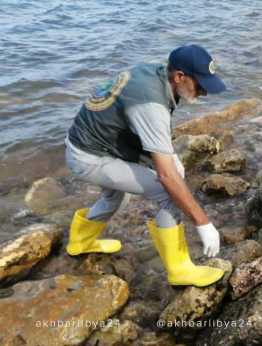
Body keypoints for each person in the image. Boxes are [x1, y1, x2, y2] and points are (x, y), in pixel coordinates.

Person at [64, 44, 227, 287]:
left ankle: (80, 242)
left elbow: (149, 133)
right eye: (200, 85)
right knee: (167, 190)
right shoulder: (150, 103)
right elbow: (166, 177)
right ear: (179, 76)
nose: (204, 92)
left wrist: (172, 167)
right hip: (89, 157)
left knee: (118, 195)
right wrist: (203, 223)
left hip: (99, 144)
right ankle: (179, 270)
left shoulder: (158, 73)